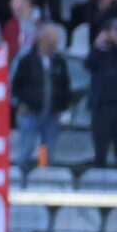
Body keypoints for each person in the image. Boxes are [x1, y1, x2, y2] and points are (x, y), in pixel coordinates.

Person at [12, 24, 73, 169]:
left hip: (51, 114)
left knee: (46, 149)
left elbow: (65, 87)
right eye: (54, 37)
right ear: (43, 38)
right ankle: (22, 177)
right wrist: (23, 103)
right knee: (27, 146)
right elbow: (16, 86)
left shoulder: (59, 62)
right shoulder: (26, 61)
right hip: (30, 112)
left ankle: (42, 174)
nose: (57, 41)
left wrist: (63, 107)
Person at [85, 21, 117, 170]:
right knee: (100, 148)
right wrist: (98, 44)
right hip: (101, 107)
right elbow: (88, 64)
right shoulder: (97, 54)